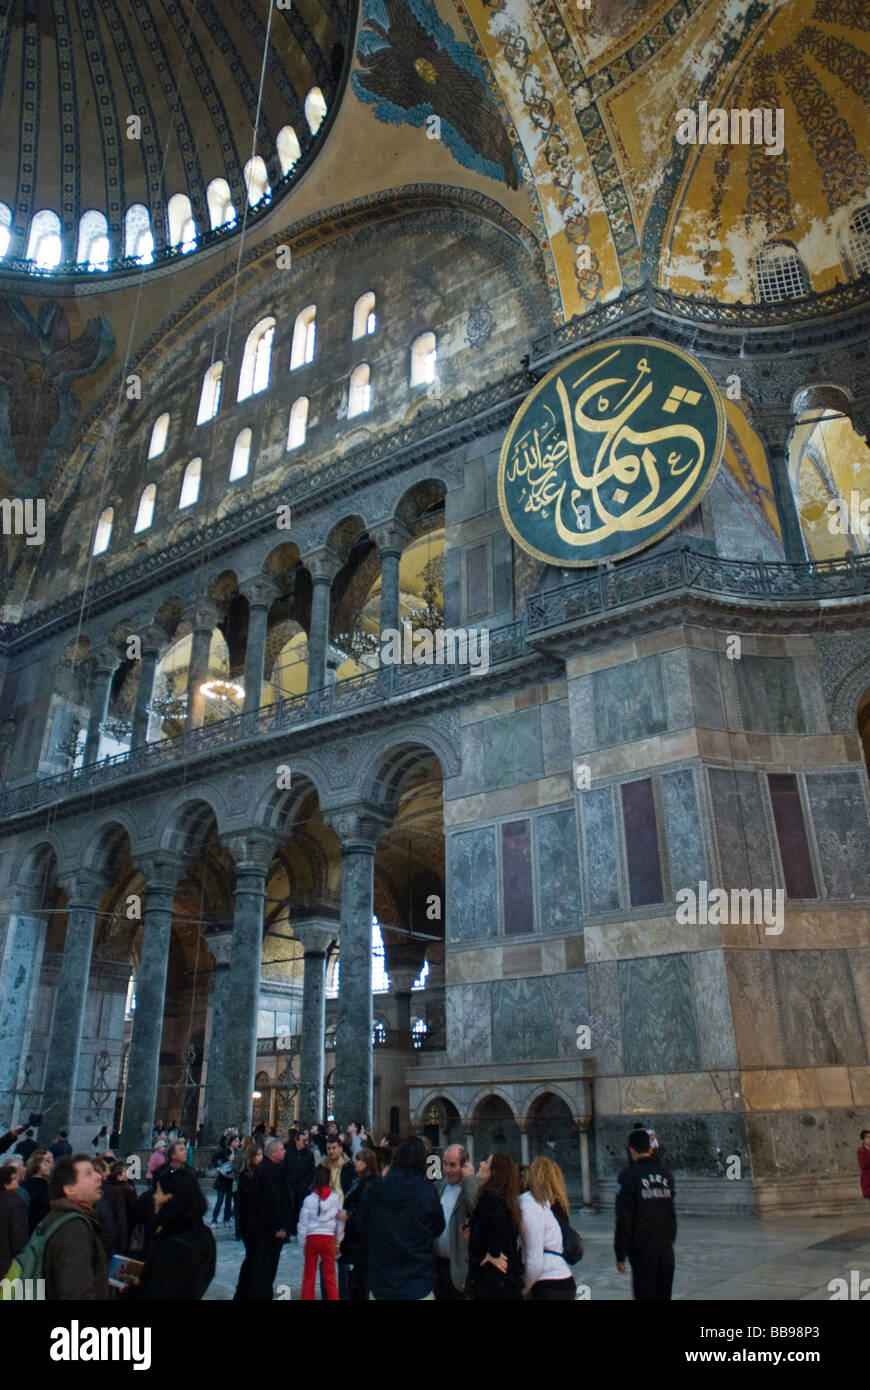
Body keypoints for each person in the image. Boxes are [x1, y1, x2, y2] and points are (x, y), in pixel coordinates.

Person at [358, 1135, 444, 1301]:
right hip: (417, 1282)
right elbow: (438, 1227)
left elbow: (362, 1227)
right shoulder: (427, 1192)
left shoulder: (374, 1189)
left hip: (382, 1281)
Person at [127, 1167, 216, 1300]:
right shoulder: (204, 1233)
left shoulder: (173, 1246)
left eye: (158, 1192)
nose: (155, 1197)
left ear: (170, 1198)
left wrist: (131, 1292)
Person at [614, 1126, 677, 1301]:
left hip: (642, 1251)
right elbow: (670, 1213)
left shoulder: (627, 1176)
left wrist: (620, 1254)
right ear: (650, 1149)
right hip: (665, 1249)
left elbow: (623, 1218)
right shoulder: (667, 1175)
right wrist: (668, 1240)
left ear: (632, 1150)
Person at [41, 1154, 109, 1300]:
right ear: (70, 1190)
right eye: (88, 1174)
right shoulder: (73, 1228)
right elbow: (75, 1292)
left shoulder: (58, 1219)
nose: (99, 1176)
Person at [466, 1152, 523, 1301]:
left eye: (486, 1162)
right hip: (504, 1282)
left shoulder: (491, 1200)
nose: (481, 1164)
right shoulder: (503, 1199)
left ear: (494, 1172)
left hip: (495, 1284)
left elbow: (499, 1226)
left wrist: (493, 1253)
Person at [520, 1155, 576, 1300]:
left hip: (545, 1279)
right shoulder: (559, 1206)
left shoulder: (535, 1207)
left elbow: (535, 1260)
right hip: (562, 1274)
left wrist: (523, 1288)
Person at [245, 1136, 292, 1300]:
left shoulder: (266, 1169)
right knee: (266, 1270)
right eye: (281, 1150)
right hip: (268, 1231)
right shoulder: (269, 1172)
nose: (284, 1152)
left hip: (262, 1229)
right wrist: (279, 1226)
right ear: (273, 1153)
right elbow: (272, 1202)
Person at [434, 1144, 478, 1299]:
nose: (447, 1170)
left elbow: (477, 1210)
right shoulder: (440, 1186)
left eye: (452, 1165)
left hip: (458, 1267)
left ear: (464, 1165)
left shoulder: (472, 1188)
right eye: (445, 1164)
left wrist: (470, 1180)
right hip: (436, 1266)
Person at [338, 1147, 379, 1300]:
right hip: (352, 1234)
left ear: (367, 1163)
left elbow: (366, 1209)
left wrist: (350, 1216)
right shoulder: (358, 1179)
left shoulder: (369, 1182)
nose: (356, 1163)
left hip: (360, 1236)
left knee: (359, 1279)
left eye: (359, 1160)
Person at [298, 1164, 343, 1300]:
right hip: (328, 1238)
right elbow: (339, 1222)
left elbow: (302, 1224)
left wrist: (302, 1243)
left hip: (312, 1238)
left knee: (309, 1276)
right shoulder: (335, 1198)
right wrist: (338, 1241)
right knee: (330, 1276)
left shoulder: (309, 1199)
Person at [233, 1142, 263, 1298]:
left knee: (253, 1259)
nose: (261, 1158)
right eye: (258, 1155)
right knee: (251, 1258)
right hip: (249, 1224)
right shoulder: (246, 1175)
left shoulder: (261, 1173)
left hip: (256, 1224)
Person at [284, 1130, 315, 1240]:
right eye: (303, 1141)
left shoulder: (309, 1155)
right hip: (291, 1186)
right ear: (297, 1141)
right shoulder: (289, 1154)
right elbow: (285, 1169)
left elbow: (312, 1171)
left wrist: (307, 1183)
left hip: (303, 1186)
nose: (305, 1143)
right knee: (290, 1208)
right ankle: (290, 1230)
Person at [0, 1162, 28, 1277]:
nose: (18, 1180)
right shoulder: (16, 1203)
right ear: (5, 1184)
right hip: (8, 1263)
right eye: (15, 1179)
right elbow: (18, 1236)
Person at [105, 1160, 137, 1254]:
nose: (126, 1174)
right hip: (127, 1224)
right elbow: (133, 1210)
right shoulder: (128, 1190)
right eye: (124, 1172)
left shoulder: (109, 1189)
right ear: (119, 1177)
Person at [21, 1149, 52, 1233]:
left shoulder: (24, 1184)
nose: (50, 1164)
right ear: (38, 1164)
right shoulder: (43, 1186)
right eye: (47, 1161)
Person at [213, 1135, 238, 1224]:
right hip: (223, 1178)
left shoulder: (237, 1153)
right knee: (220, 1200)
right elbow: (214, 1158)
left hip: (231, 1180)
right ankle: (214, 1219)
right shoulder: (224, 1152)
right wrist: (217, 1167)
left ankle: (226, 1218)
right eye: (235, 1141)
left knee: (229, 1201)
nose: (237, 1143)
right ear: (231, 1142)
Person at [859, 1129, 870, 1199]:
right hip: (867, 1179)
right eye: (867, 1137)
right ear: (863, 1140)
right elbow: (864, 1164)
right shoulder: (861, 1151)